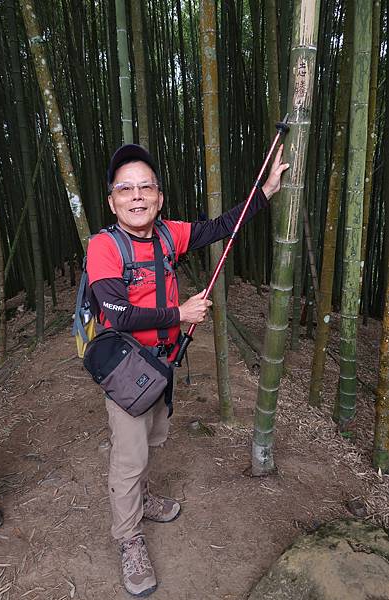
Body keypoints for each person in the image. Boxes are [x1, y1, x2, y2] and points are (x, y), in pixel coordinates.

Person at [86, 143, 289, 597]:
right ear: (112, 200)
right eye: (126, 189)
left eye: (146, 187)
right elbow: (117, 314)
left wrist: (266, 191)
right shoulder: (104, 246)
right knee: (129, 455)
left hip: (161, 364)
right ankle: (129, 538)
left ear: (159, 197)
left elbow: (220, 227)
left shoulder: (166, 235)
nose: (137, 197)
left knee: (154, 436)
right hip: (124, 369)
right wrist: (179, 314)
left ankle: (140, 499)